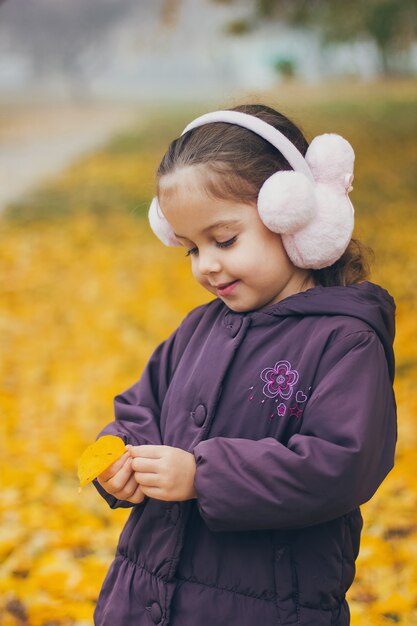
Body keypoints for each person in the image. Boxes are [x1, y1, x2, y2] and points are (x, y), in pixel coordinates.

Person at [92, 104, 397, 626]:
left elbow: (341, 464)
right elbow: (142, 405)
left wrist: (204, 476)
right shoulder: (198, 328)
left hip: (267, 606)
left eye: (224, 240)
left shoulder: (343, 340)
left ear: (295, 217)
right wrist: (119, 456)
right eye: (189, 249)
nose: (206, 265)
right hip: (144, 596)